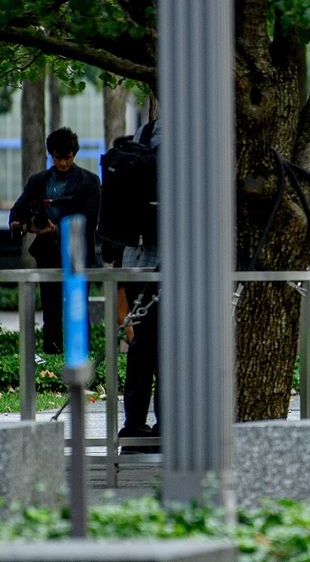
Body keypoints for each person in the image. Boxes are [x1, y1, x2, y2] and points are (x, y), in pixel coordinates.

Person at [9, 127, 100, 354]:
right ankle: (52, 351)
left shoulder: (89, 182)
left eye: (67, 158)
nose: (62, 164)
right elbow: (19, 209)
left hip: (77, 253)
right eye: (58, 158)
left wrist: (56, 228)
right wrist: (21, 223)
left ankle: (79, 355)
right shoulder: (38, 181)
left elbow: (90, 219)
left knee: (77, 307)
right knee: (50, 308)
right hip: (47, 253)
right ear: (51, 154)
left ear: (74, 154)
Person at [118, 118, 161, 453]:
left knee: (142, 346)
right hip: (168, 262)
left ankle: (133, 426)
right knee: (171, 347)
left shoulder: (142, 135)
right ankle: (169, 425)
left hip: (135, 259)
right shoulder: (187, 137)